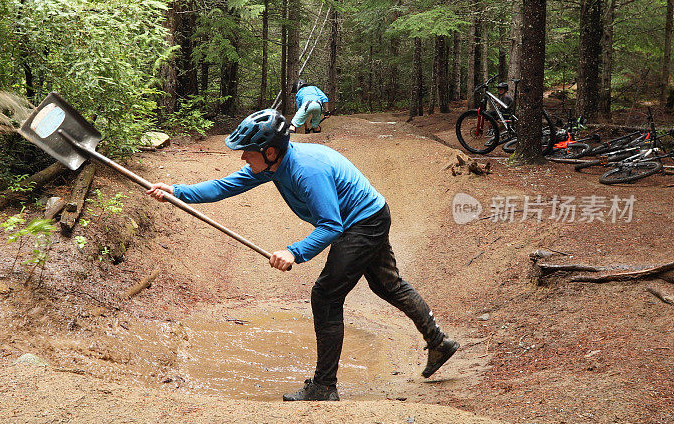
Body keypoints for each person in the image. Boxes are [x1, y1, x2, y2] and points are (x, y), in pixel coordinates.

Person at [146, 109, 458, 402]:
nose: (242, 157)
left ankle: (324, 387)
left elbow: (331, 225)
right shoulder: (272, 165)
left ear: (270, 152)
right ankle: (439, 343)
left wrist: (295, 252)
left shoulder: (306, 171)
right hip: (366, 215)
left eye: (247, 151)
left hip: (363, 221)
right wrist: (178, 191)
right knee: (386, 285)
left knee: (326, 295)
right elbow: (224, 186)